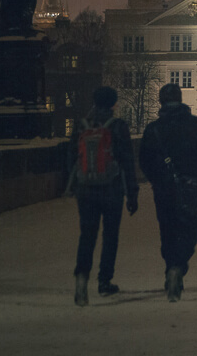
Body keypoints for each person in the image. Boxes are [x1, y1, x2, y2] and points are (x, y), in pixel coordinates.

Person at [139, 83, 197, 302]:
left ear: (161, 102)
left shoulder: (153, 128)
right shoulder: (194, 124)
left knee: (168, 230)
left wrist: (156, 179)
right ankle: (179, 267)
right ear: (181, 99)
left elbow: (143, 160)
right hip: (190, 185)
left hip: (163, 188)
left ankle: (171, 266)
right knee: (190, 231)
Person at [68, 86, 139, 307]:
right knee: (110, 236)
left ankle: (81, 279)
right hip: (112, 189)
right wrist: (132, 194)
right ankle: (104, 281)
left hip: (86, 188)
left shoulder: (82, 125)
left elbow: (71, 157)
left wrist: (73, 185)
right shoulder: (117, 126)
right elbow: (128, 161)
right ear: (113, 104)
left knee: (87, 235)